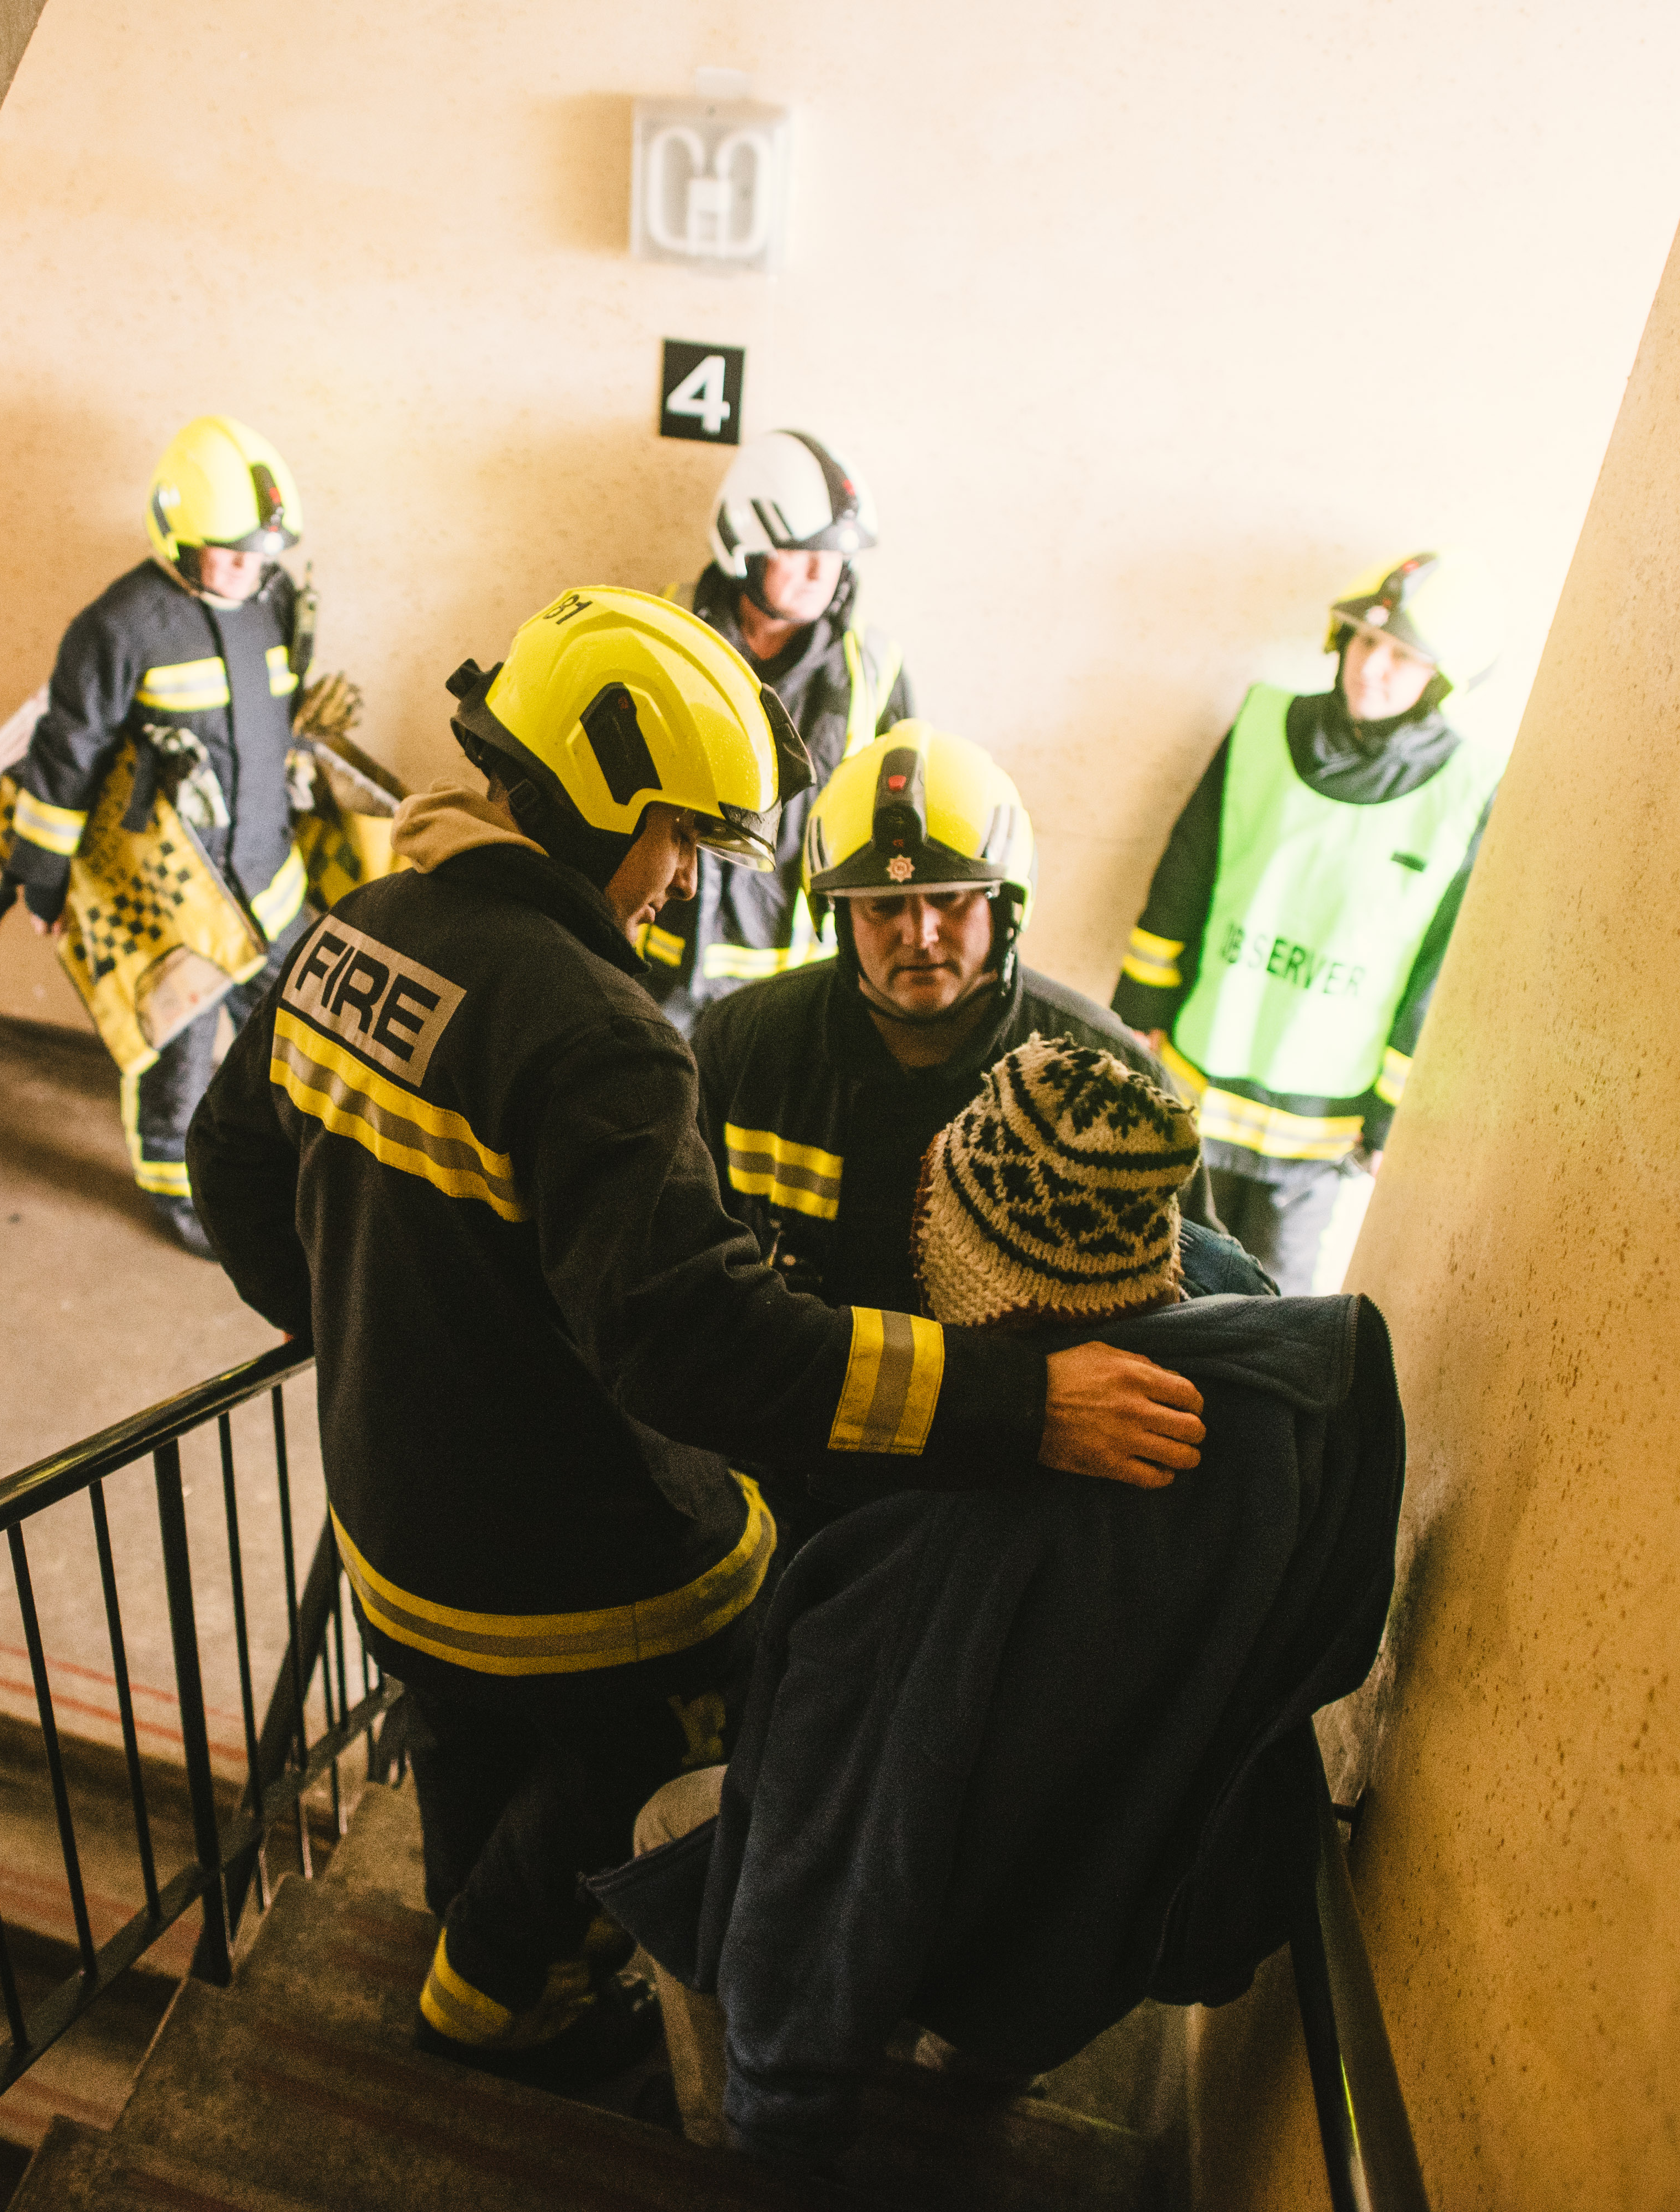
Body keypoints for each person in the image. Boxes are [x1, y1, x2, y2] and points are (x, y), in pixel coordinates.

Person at [186, 587, 1209, 2093]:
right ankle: (495, 2000)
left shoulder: (355, 931)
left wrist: (383, 1335)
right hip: (565, 1569)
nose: (678, 888)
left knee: (465, 1747)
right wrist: (1018, 1406)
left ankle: (461, 1931)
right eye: (678, 839)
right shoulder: (598, 1030)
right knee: (725, 1668)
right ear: (605, 799)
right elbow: (705, 1350)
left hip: (390, 1530)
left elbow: (230, 1167)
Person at [591, 1040, 1405, 2168]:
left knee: (669, 1821)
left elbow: (823, 1876)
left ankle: (719, 2138)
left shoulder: (931, 1570)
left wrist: (776, 2113)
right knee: (1020, 1905)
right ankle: (974, 2075)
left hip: (954, 1895)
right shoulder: (1276, 1372)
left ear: (979, 1279)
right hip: (1108, 1907)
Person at [694, 724, 1263, 1559]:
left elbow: (1191, 1327)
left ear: (1005, 906)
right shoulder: (745, 1049)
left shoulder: (1098, 1074)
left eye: (951, 898)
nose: (919, 933)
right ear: (836, 917)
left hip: (1005, 1512)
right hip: (781, 1492)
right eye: (883, 906)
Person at [1111, 551, 1509, 1289]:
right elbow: (1186, 868)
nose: (1373, 669)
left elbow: (1440, 966)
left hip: (1320, 1128)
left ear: (1441, 681)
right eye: (1365, 642)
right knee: (1153, 1288)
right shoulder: (1265, 723)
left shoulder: (1471, 789)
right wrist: (1137, 1009)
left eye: (1401, 657)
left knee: (1275, 1320)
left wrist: (1392, 1119)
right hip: (1198, 1078)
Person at [0, 415, 316, 1257]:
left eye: (263, 554)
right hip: (176, 909)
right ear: (176, 532)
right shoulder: (119, 627)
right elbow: (64, 765)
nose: (249, 570)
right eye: (230, 552)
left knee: (300, 1038)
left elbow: (271, 724)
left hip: (271, 887)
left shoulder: (272, 600)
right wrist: (41, 882)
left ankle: (297, 1179)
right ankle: (179, 1199)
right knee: (175, 1057)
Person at [638, 429, 912, 1028]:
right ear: (744, 542)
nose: (822, 571)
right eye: (798, 548)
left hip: (799, 999)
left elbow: (903, 837)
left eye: (837, 552)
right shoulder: (659, 631)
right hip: (652, 974)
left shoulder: (874, 670)